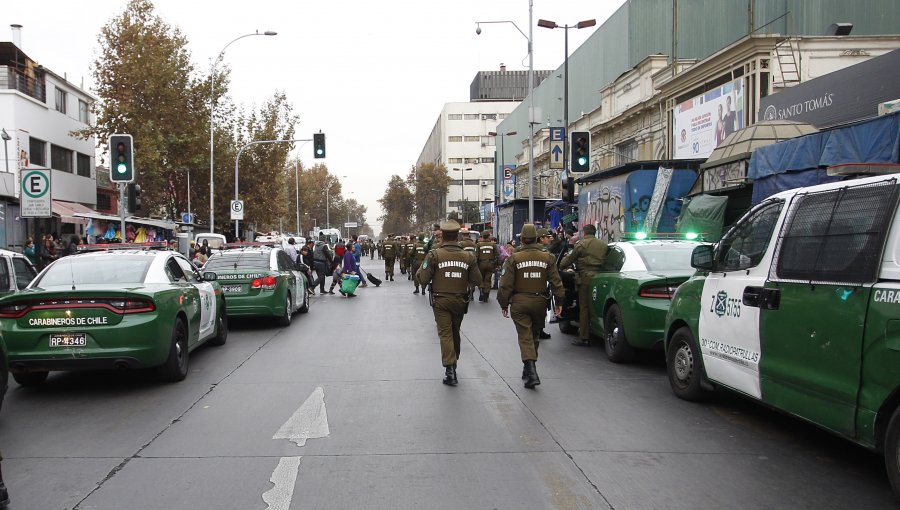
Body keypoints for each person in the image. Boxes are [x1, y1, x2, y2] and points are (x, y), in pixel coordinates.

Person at [498, 224, 565, 389]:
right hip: (540, 302)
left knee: (525, 336)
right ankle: (528, 368)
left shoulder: (514, 258)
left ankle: (531, 369)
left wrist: (503, 302)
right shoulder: (547, 257)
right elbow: (556, 282)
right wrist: (560, 302)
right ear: (537, 238)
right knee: (534, 335)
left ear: (521, 239)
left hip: (520, 302)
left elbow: (505, 284)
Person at [416, 220, 481, 386]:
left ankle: (450, 369)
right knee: (455, 331)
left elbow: (422, 279)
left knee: (445, 334)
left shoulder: (434, 255)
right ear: (457, 236)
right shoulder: (468, 256)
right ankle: (454, 361)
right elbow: (478, 280)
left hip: (441, 300)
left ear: (442, 235)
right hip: (460, 300)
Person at [559, 224, 608, 346]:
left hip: (585, 279)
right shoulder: (603, 245)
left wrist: (559, 267)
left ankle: (584, 337)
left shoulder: (581, 244)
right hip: (601, 277)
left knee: (584, 307)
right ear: (595, 233)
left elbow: (569, 260)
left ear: (584, 233)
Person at [476, 230, 499, 302]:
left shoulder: (479, 245)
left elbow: (476, 256)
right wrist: (496, 264)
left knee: (481, 279)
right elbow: (498, 256)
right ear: (489, 236)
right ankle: (486, 294)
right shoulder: (493, 245)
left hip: (481, 264)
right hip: (490, 264)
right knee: (488, 280)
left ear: (482, 236)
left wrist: (476, 265)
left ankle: (481, 291)